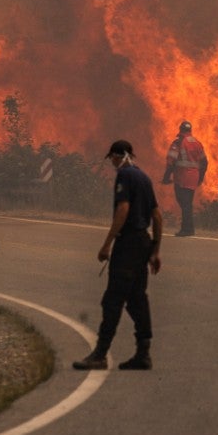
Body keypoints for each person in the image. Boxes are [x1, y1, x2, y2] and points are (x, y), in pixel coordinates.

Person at [74, 138, 163, 371]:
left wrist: (107, 244)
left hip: (128, 245)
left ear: (118, 155)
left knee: (113, 299)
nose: (112, 163)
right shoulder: (144, 177)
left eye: (113, 158)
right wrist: (155, 250)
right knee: (137, 299)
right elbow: (157, 216)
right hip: (143, 243)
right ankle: (143, 354)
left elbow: (123, 210)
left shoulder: (125, 176)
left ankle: (100, 355)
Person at [163, 120, 209, 236]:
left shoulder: (178, 143)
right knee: (187, 203)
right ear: (190, 130)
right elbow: (205, 162)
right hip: (194, 178)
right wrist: (201, 177)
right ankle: (189, 228)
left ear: (180, 130)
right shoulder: (197, 143)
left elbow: (170, 162)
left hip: (182, 178)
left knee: (184, 202)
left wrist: (166, 177)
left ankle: (187, 229)